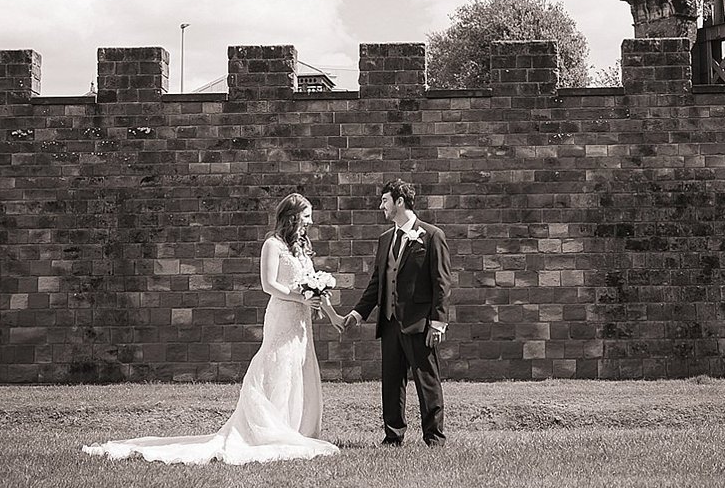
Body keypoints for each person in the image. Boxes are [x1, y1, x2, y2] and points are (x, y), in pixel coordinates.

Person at [82, 193, 343, 464]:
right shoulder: (272, 245)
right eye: (307, 215)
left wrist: (333, 316)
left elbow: (313, 286)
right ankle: (271, 428)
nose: (311, 221)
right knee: (277, 365)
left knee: (298, 367)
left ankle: (297, 428)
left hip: (301, 322)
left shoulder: (301, 249)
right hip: (282, 316)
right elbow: (269, 285)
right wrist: (300, 297)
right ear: (292, 216)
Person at [342, 178, 453, 447]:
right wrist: (358, 313)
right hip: (390, 322)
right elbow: (376, 283)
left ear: (399, 202)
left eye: (385, 201)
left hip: (420, 323)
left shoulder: (432, 235)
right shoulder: (385, 239)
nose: (381, 206)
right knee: (391, 383)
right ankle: (393, 436)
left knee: (427, 381)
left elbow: (441, 282)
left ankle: (434, 437)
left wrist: (438, 323)